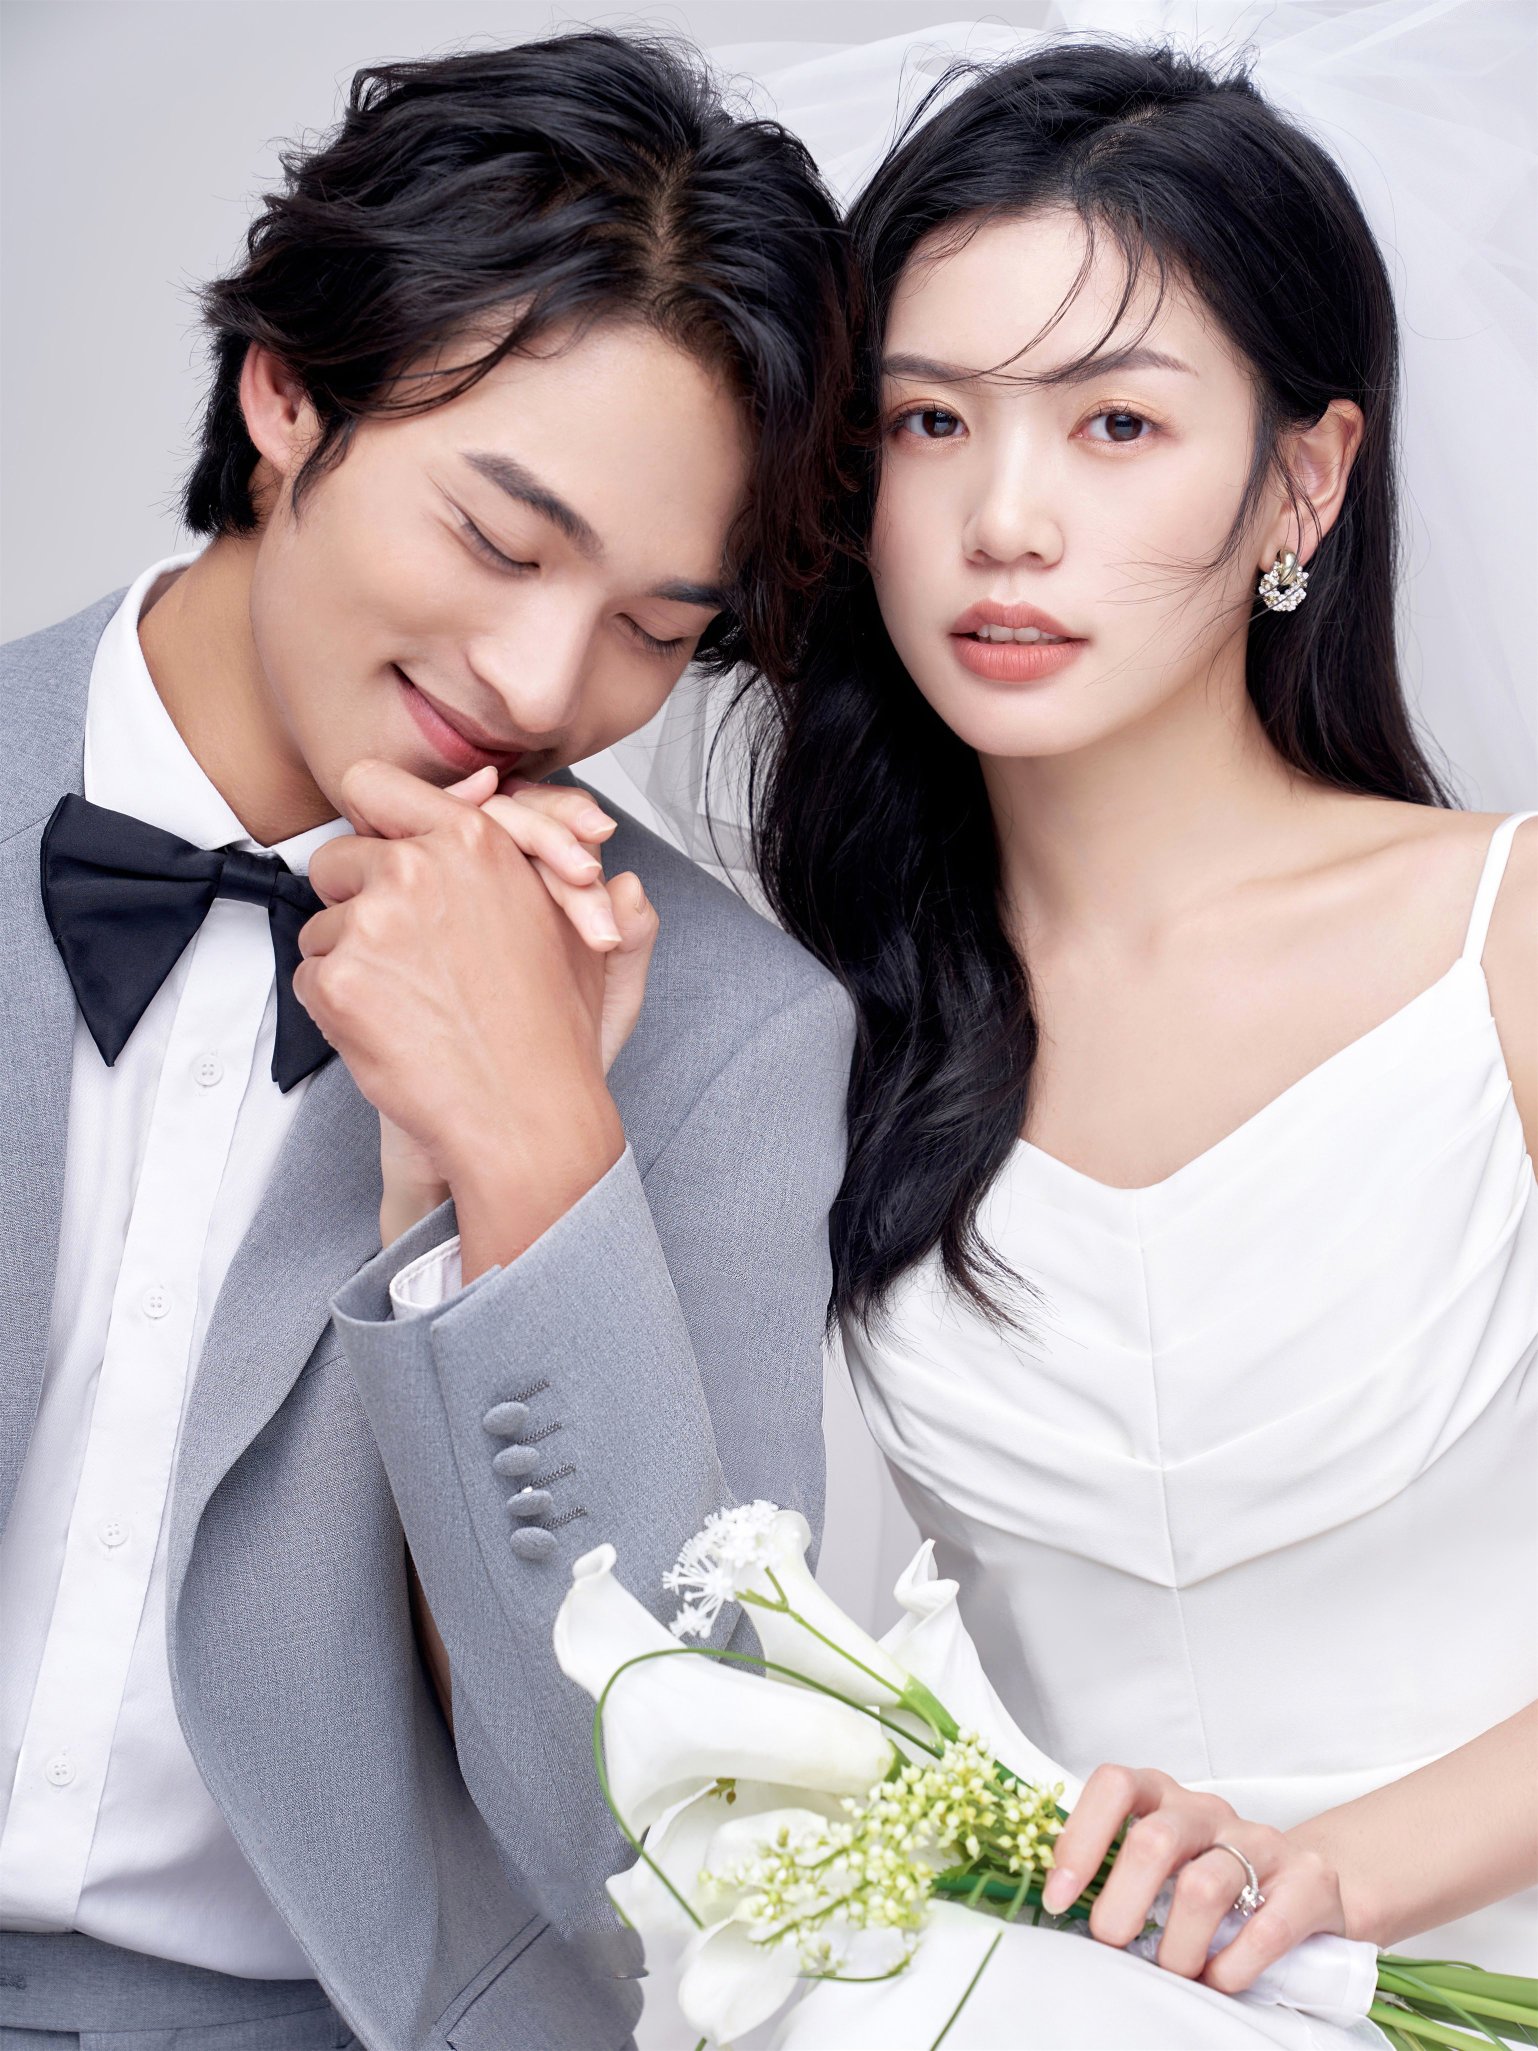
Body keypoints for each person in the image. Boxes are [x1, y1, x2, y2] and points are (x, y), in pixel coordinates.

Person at [0, 32, 854, 2051]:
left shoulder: (733, 1039)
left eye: (656, 627)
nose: (546, 685)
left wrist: (525, 1165)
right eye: (499, 539)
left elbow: (662, 1863)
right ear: (284, 394)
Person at [752, 38, 1538, 2045]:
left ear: (1304, 477)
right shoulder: (814, 1017)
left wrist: (1326, 1875)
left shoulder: (1504, 937)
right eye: (930, 421)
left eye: (1114, 422)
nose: (1004, 519)